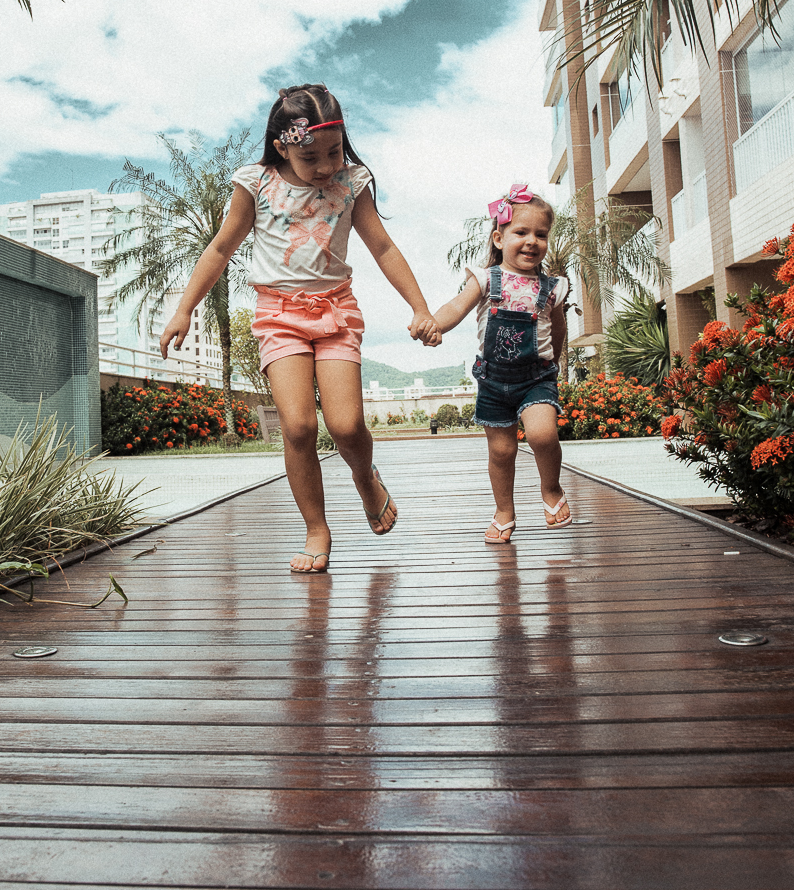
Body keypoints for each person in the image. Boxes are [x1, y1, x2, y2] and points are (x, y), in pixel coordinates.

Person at [160, 83, 439, 572]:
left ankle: (364, 477)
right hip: (279, 315)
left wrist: (419, 307)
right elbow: (221, 248)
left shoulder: (352, 183)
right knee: (298, 426)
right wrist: (185, 308)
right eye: (312, 156)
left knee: (348, 425)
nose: (326, 165)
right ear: (281, 145)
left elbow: (384, 248)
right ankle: (316, 527)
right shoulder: (256, 184)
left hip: (335, 311)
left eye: (334, 151)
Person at [430, 184, 572, 539]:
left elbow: (558, 331)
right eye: (521, 232)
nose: (532, 241)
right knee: (502, 451)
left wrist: (552, 365)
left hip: (536, 378)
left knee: (541, 434)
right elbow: (456, 308)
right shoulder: (484, 279)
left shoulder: (553, 288)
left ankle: (551, 488)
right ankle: (504, 510)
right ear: (498, 238)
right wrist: (434, 323)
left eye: (541, 234)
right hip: (493, 381)